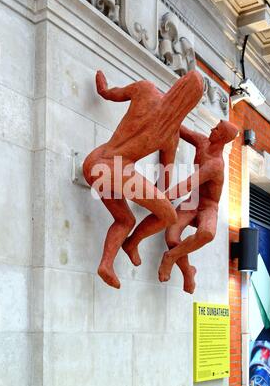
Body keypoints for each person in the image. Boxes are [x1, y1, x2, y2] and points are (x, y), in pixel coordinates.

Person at [83, 69, 204, 289]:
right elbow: (164, 179)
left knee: (125, 219)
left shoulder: (146, 89)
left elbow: (110, 93)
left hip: (93, 162)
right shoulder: (171, 133)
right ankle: (133, 242)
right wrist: (161, 195)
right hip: (114, 170)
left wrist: (102, 88)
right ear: (190, 105)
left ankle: (106, 264)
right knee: (168, 214)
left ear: (178, 85)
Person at [157, 121, 239, 294]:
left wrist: (159, 199)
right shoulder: (202, 142)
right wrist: (164, 109)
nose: (211, 128)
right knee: (171, 237)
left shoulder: (216, 164)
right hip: (192, 202)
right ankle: (188, 271)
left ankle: (170, 257)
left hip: (208, 208)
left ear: (222, 138)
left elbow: (187, 184)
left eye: (216, 129)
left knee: (207, 233)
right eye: (214, 125)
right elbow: (182, 129)